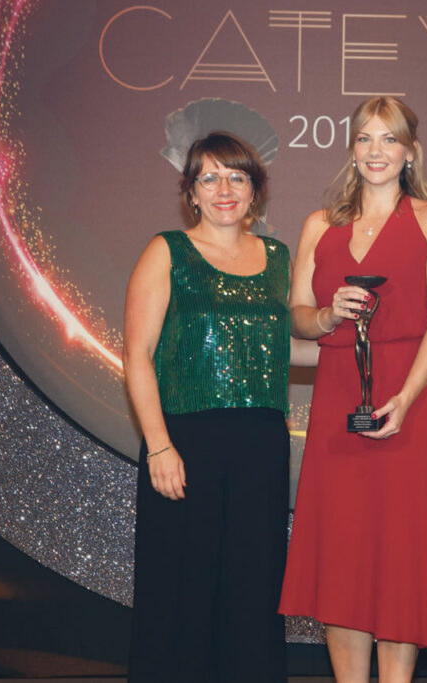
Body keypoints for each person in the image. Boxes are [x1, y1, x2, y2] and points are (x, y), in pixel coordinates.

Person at [278, 96, 427, 682]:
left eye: (389, 139)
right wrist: (327, 315)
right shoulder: (320, 225)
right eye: (365, 138)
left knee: (400, 561)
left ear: (410, 151)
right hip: (340, 401)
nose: (376, 151)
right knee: (343, 557)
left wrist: (406, 400)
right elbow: (297, 318)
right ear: (352, 150)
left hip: (413, 405)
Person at [124, 131, 303, 682]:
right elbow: (137, 354)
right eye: (210, 177)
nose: (225, 188)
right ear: (192, 192)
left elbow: (282, 346)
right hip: (186, 444)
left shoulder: (277, 257)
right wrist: (159, 445)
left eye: (237, 176)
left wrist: (372, 346)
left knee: (254, 589)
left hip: (262, 445)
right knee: (183, 588)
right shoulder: (166, 251)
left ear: (255, 191)